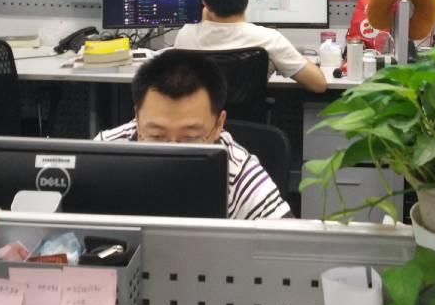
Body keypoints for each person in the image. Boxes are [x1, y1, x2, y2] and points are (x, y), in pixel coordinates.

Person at [95, 51, 292, 220]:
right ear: (137, 119)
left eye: (189, 138)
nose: (171, 155)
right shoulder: (105, 153)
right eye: (156, 136)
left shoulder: (240, 175)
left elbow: (287, 244)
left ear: (219, 124)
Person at [173, 0, 327, 94]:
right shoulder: (269, 40)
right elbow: (319, 85)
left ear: (205, 3)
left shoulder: (185, 36)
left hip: (203, 120)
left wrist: (205, 19)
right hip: (249, 120)